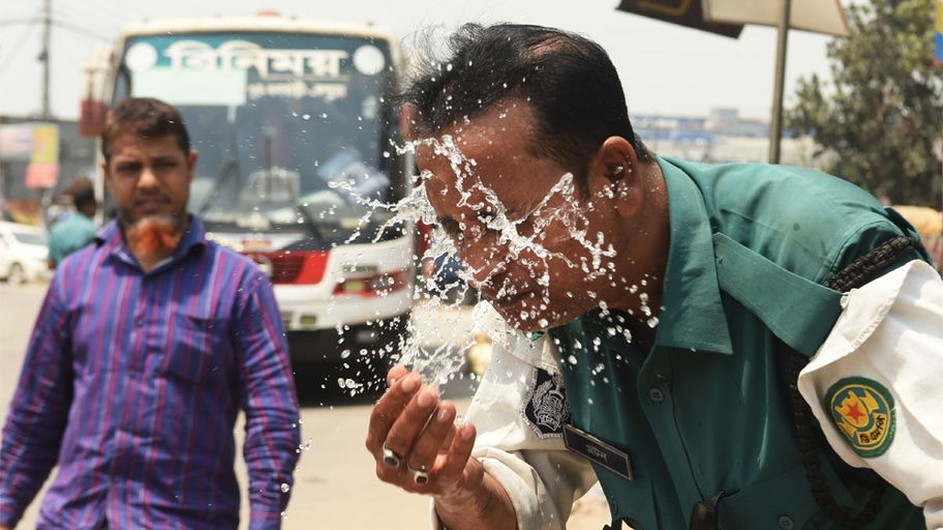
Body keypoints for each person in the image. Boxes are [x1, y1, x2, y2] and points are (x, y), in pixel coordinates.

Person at [365, 23, 943, 530]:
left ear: (616, 175)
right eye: (456, 229)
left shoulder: (824, 272)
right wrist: (459, 489)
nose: (481, 265)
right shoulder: (549, 298)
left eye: (506, 222)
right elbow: (523, 493)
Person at [0, 97, 301, 530]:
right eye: (129, 168)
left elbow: (272, 420)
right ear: (107, 175)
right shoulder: (75, 278)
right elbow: (34, 418)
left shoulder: (239, 285)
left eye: (163, 164)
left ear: (190, 166)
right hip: (72, 519)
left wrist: (266, 521)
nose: (147, 181)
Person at [47, 184, 98, 268]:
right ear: (89, 205)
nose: (96, 207)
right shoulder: (93, 230)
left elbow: (51, 263)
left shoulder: (56, 229)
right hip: (82, 279)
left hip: (60, 279)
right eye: (95, 204)